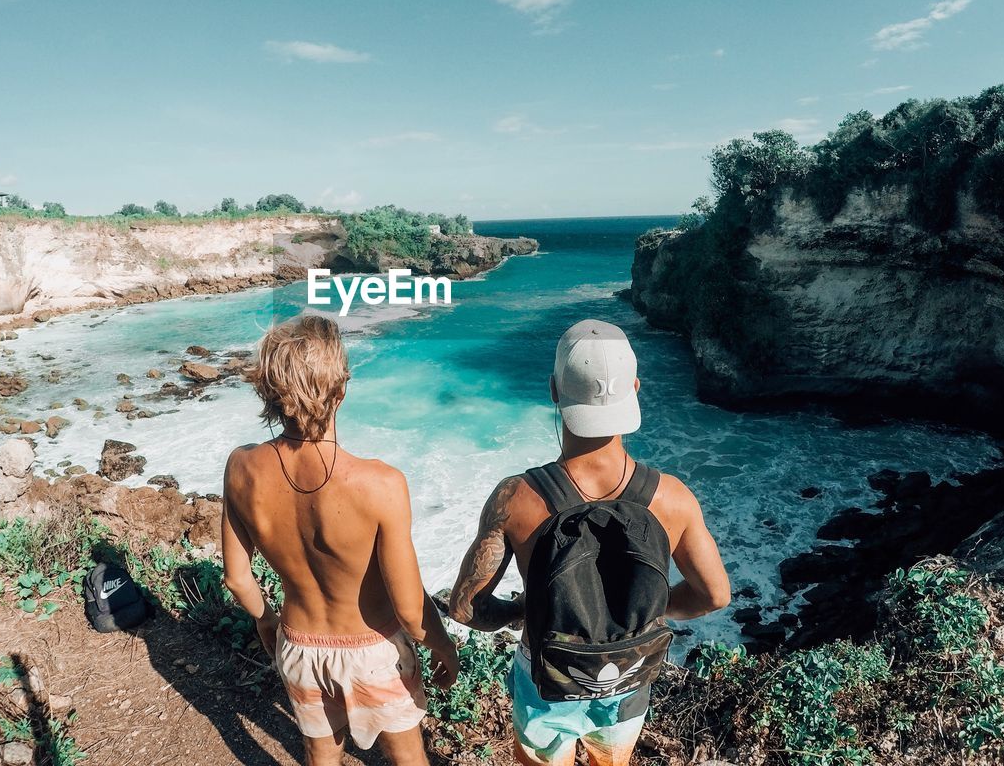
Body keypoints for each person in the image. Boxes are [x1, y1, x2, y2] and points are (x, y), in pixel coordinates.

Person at [448, 319, 730, 766]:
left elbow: (466, 608)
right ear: (635, 388)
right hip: (629, 679)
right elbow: (714, 594)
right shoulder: (673, 498)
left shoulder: (516, 498)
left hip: (546, 679)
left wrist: (521, 610)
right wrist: (657, 609)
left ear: (554, 390)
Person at [222, 314, 459, 766]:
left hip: (298, 644)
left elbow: (237, 578)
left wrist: (266, 621)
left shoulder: (241, 467)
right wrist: (443, 647)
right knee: (408, 757)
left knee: (320, 754)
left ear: (270, 392)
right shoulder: (380, 483)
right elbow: (410, 611)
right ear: (341, 390)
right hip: (373, 649)